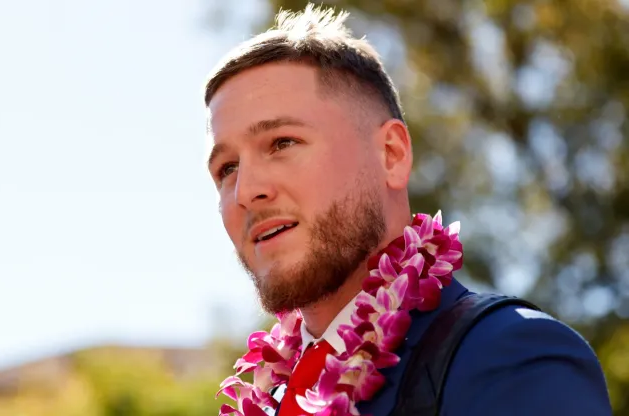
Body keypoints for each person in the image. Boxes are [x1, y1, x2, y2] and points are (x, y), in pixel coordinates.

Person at [204, 4, 612, 415]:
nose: (246, 190)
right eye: (227, 168)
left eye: (282, 143)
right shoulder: (274, 399)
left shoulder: (511, 361)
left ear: (391, 154)